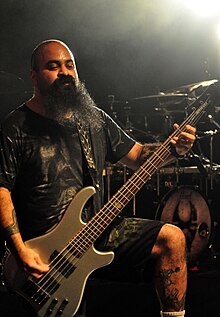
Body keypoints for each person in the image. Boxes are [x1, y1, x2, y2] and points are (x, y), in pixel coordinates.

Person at [0, 39, 196, 317]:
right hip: (48, 253)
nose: (65, 72)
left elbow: (139, 156)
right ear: (34, 76)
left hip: (96, 232)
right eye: (53, 67)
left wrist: (174, 150)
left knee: (172, 238)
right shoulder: (15, 126)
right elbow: (1, 190)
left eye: (70, 66)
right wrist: (19, 250)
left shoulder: (94, 119)